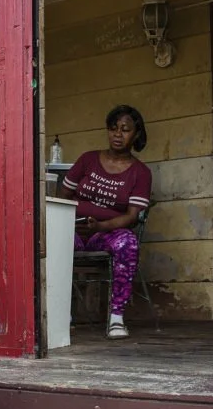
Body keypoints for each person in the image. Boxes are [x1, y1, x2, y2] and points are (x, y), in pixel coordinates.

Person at [59, 104, 152, 339]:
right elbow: (63, 197)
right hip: (75, 230)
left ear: (136, 134)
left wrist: (100, 226)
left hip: (106, 234)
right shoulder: (88, 160)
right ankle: (60, 314)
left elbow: (131, 217)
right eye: (113, 129)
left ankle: (116, 318)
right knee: (53, 240)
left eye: (125, 129)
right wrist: (67, 221)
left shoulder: (140, 172)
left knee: (127, 243)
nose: (118, 135)